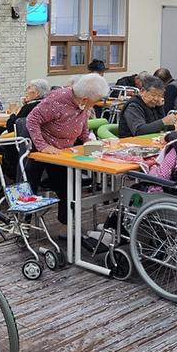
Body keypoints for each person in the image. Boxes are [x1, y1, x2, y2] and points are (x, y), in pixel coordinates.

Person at [26, 74, 109, 233]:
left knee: (67, 187)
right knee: (30, 187)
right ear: (85, 98)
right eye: (96, 100)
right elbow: (31, 120)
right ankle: (24, 224)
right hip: (40, 148)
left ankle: (66, 226)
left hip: (63, 151)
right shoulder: (56, 100)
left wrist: (89, 142)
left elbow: (82, 123)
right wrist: (42, 146)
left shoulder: (83, 104)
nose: (97, 103)